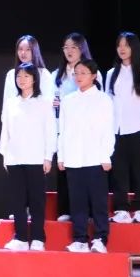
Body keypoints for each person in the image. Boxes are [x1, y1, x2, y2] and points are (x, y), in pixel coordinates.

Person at [0, 62, 57, 251]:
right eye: (18, 76)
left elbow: (50, 131)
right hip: (15, 158)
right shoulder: (11, 103)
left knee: (36, 200)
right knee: (18, 200)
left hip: (36, 158)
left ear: (34, 79)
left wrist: (48, 156)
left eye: (26, 76)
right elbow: (6, 130)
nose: (21, 79)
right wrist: (5, 154)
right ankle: (21, 237)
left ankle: (38, 238)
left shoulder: (43, 103)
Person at [58, 59, 113, 253]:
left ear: (94, 76)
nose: (79, 77)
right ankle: (80, 239)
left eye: (83, 73)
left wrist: (106, 156)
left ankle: (100, 238)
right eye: (76, 73)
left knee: (98, 202)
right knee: (77, 202)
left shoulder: (103, 100)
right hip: (73, 158)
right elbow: (62, 130)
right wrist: (61, 156)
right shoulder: (68, 100)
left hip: (95, 158)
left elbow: (108, 130)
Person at [105, 32, 140, 224]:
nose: (122, 49)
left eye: (126, 45)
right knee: (119, 170)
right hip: (116, 129)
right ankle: (121, 209)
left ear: (134, 48)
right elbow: (107, 102)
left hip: (138, 128)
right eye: (119, 45)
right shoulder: (111, 74)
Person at [52, 32, 93, 221]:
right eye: (66, 47)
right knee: (63, 170)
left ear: (81, 49)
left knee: (85, 171)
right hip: (62, 128)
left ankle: (87, 212)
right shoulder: (56, 75)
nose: (69, 51)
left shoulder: (90, 72)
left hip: (84, 130)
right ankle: (65, 210)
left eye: (73, 47)